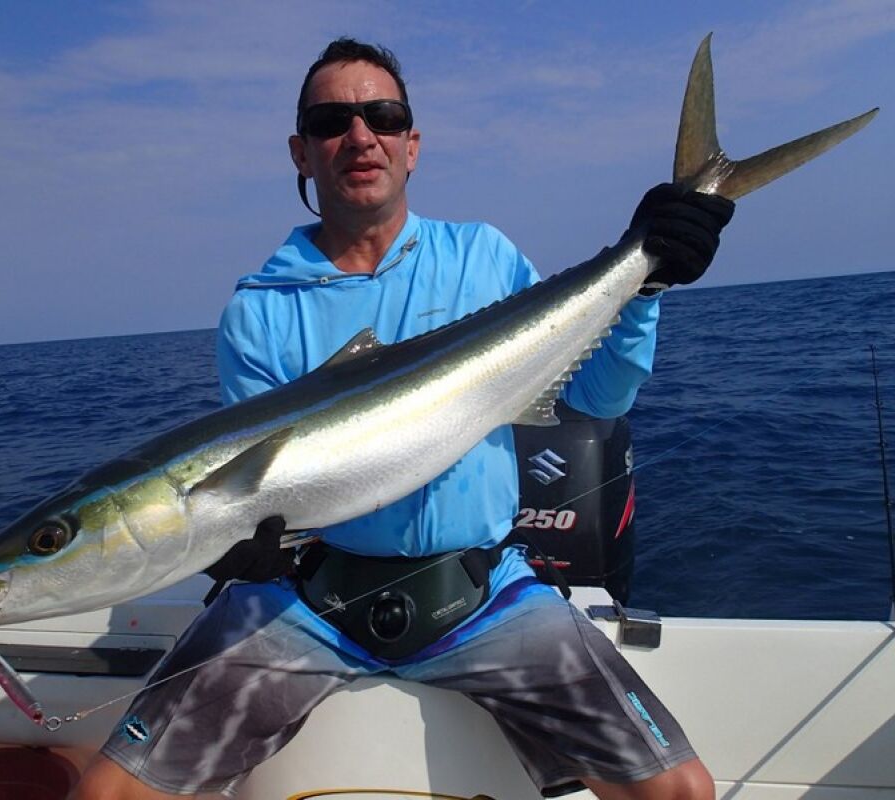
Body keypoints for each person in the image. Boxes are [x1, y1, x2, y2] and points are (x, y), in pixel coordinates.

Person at [72, 37, 732, 800]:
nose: (360, 136)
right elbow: (258, 496)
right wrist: (241, 543)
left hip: (485, 593)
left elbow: (599, 399)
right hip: (308, 600)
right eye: (332, 122)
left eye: (382, 116)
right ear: (301, 152)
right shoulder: (260, 311)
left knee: (680, 792)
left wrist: (647, 279)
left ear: (410, 144)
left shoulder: (482, 258)